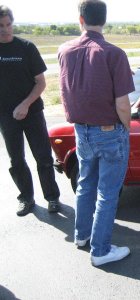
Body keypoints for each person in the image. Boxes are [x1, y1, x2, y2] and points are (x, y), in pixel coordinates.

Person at [58, 0, 134, 267]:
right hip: (109, 131)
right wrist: (126, 126)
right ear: (104, 20)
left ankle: (81, 236)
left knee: (85, 185)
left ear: (81, 19)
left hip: (81, 131)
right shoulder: (113, 53)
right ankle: (100, 250)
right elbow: (123, 104)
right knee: (107, 192)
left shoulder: (64, 51)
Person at [0, 5, 60, 216]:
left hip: (32, 112)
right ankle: (26, 198)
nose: (5, 29)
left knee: (43, 157)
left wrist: (25, 104)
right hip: (6, 116)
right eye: (1, 26)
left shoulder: (26, 47)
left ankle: (52, 197)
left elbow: (41, 83)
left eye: (8, 24)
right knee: (16, 160)